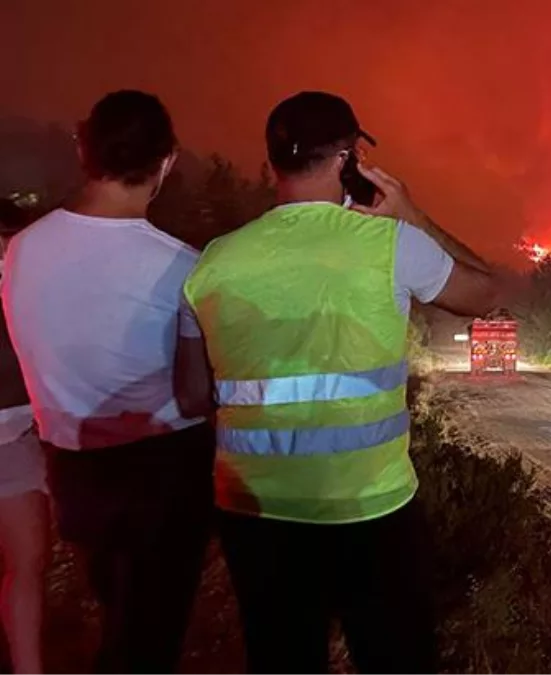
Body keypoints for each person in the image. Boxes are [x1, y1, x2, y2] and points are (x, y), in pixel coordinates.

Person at [174, 91, 497, 675]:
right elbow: (484, 293)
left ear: (273, 161)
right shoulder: (391, 245)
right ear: (349, 160)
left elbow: (193, 396)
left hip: (255, 515)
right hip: (370, 510)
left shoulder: (213, 262)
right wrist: (413, 215)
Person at [1, 91, 214, 675]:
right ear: (167, 161)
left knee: (120, 615)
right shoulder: (183, 267)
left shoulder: (22, 250)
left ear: (83, 148)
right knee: (148, 638)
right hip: (160, 471)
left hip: (72, 469)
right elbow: (197, 392)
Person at [0, 199, 47, 675]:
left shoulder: (22, 286)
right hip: (10, 435)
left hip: (14, 435)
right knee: (26, 562)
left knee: (27, 563)